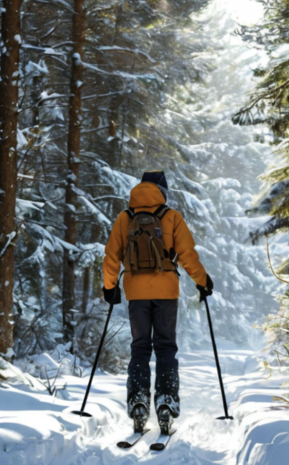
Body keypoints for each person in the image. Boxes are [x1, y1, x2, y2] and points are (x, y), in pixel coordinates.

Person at [102, 171, 213, 435]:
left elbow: (111, 256)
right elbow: (187, 254)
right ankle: (166, 401)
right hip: (166, 292)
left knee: (140, 348)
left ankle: (138, 401)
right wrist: (202, 281)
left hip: (135, 292)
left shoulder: (124, 218)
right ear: (163, 192)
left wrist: (109, 287)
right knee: (165, 348)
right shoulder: (171, 216)